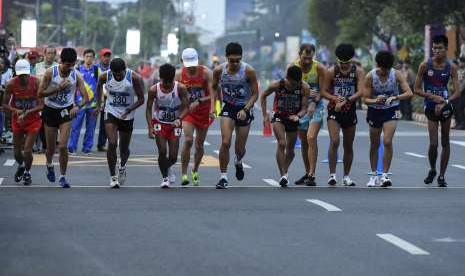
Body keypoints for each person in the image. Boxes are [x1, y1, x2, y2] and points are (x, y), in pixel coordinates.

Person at [414, 35, 461, 187]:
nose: (436, 51)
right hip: (430, 107)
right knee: (433, 143)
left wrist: (445, 101)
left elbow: (457, 92)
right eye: (434, 48)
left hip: (446, 106)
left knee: (445, 141)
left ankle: (441, 176)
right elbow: (416, 89)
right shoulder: (425, 66)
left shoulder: (451, 68)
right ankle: (433, 169)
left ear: (446, 49)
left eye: (440, 48)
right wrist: (431, 96)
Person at [38, 47, 88, 188]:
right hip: (50, 110)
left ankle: (63, 177)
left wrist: (77, 106)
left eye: (72, 65)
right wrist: (58, 88)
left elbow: (86, 97)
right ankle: (49, 164)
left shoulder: (76, 75)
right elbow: (40, 94)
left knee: (63, 146)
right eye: (67, 65)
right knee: (50, 148)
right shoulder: (50, 73)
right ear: (61, 62)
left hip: (66, 110)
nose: (70, 68)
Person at [211, 42, 259, 189]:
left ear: (241, 58)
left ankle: (238, 161)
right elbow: (213, 89)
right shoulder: (219, 70)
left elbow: (256, 94)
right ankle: (223, 177)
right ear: (226, 58)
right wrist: (214, 107)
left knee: (239, 148)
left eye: (238, 60)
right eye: (232, 60)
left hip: (244, 108)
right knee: (225, 142)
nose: (235, 63)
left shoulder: (248, 71)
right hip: (229, 107)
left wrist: (245, 109)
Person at [363, 51, 413, 187]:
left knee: (387, 141)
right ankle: (373, 175)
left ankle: (384, 175)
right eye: (382, 69)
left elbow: (409, 92)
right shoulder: (370, 76)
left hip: (391, 110)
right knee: (374, 143)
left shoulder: (396, 74)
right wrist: (375, 100)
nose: (385, 72)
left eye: (387, 69)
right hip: (375, 111)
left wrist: (395, 97)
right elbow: (365, 99)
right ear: (377, 65)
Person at [320, 43, 364, 186]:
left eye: (347, 63)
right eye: (341, 63)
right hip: (334, 110)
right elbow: (324, 91)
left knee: (348, 144)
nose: (344, 66)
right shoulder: (331, 71)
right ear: (337, 60)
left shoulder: (358, 72)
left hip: (349, 109)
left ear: (351, 60)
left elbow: (361, 91)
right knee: (335, 141)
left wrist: (347, 100)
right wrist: (334, 98)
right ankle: (332, 175)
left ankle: (346, 176)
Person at [260, 65, 309, 187]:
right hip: (279, 116)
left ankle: (284, 171)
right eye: (292, 84)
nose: (294, 86)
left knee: (291, 151)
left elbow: (304, 109)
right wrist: (265, 114)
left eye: (297, 83)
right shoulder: (277, 85)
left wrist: (298, 116)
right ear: (287, 78)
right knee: (282, 143)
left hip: (293, 118)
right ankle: (284, 175)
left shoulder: (304, 87)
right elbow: (263, 96)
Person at [176, 48, 214, 186]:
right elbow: (174, 95)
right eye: (188, 63)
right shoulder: (179, 75)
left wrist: (206, 105)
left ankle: (195, 170)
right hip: (188, 112)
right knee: (188, 140)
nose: (191, 67)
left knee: (199, 145)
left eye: (193, 63)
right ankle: (184, 174)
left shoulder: (206, 73)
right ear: (182, 61)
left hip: (203, 111)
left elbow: (213, 94)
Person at [146, 63, 188, 188]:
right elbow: (148, 108)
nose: (168, 84)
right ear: (161, 78)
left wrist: (180, 119)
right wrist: (150, 127)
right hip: (159, 122)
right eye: (165, 82)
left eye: (171, 82)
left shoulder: (181, 88)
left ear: (174, 78)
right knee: (162, 151)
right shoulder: (154, 90)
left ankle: (168, 167)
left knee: (174, 157)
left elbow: (187, 107)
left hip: (175, 124)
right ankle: (165, 178)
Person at [2, 59, 44, 185]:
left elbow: (42, 105)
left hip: (33, 120)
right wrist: (16, 111)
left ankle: (27, 172)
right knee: (16, 152)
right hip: (18, 120)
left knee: (27, 150)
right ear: (16, 73)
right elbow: (4, 104)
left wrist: (27, 112)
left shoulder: (37, 82)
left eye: (25, 74)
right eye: (21, 74)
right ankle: (21, 165)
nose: (23, 77)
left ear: (29, 72)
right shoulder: (10, 84)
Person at [291, 43, 326, 186]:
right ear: (300, 54)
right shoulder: (292, 67)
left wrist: (314, 102)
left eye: (310, 57)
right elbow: (289, 86)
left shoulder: (319, 68)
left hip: (316, 106)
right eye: (305, 57)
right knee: (304, 140)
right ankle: (307, 173)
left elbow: (323, 90)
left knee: (311, 137)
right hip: (300, 107)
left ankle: (312, 173)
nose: (307, 60)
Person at [68, 49, 99, 154]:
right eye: (87, 56)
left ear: (94, 58)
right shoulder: (77, 70)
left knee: (91, 128)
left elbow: (101, 88)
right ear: (84, 57)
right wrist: (73, 103)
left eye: (91, 56)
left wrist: (100, 104)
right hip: (79, 104)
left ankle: (87, 148)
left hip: (93, 104)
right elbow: (72, 88)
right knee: (75, 127)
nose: (89, 58)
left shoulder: (97, 71)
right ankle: (72, 148)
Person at [34, 46, 58, 153]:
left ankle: (51, 146)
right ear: (44, 54)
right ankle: (42, 146)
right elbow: (32, 82)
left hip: (54, 101)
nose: (50, 55)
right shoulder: (37, 67)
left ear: (55, 55)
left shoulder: (58, 67)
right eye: (48, 53)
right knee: (40, 125)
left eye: (52, 53)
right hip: (40, 100)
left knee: (53, 125)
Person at [96, 48, 112, 152]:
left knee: (105, 122)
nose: (106, 58)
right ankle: (85, 146)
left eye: (108, 56)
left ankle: (101, 144)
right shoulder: (95, 68)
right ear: (100, 57)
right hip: (96, 97)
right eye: (104, 56)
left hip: (108, 98)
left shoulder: (113, 68)